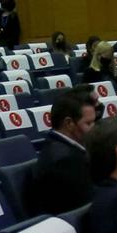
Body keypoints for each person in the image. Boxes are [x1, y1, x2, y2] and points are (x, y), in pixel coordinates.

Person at [26, 88, 101, 216]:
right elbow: (90, 207)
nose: (95, 128)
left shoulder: (59, 146)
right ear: (69, 123)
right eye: (89, 123)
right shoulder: (65, 161)